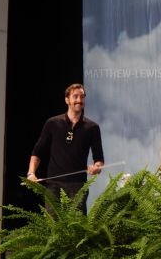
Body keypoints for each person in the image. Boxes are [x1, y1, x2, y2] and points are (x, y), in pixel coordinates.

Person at [27, 83, 104, 214]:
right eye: (75, 96)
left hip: (78, 186)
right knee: (54, 226)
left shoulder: (92, 128)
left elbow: (99, 159)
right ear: (67, 99)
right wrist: (31, 173)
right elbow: (37, 152)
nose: (79, 100)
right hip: (53, 185)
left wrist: (96, 168)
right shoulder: (52, 123)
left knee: (76, 229)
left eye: (82, 97)